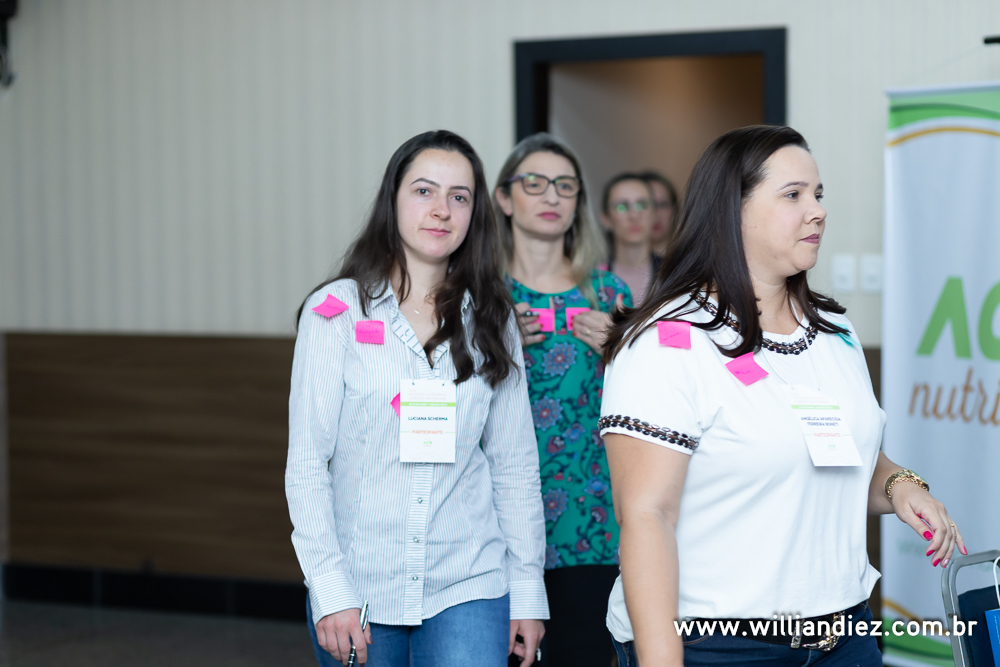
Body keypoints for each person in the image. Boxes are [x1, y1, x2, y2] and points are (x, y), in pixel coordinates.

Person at [599, 125, 966, 666]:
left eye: (818, 195)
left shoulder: (835, 334)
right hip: (714, 644)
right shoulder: (668, 342)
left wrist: (901, 487)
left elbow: (841, 458)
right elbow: (646, 516)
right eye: (793, 195)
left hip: (845, 635)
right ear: (732, 211)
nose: (816, 211)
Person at [286, 130, 549, 667]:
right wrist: (329, 586)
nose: (441, 211)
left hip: (468, 580)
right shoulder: (334, 312)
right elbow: (308, 463)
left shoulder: (494, 319)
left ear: (475, 214)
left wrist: (527, 591)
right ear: (394, 200)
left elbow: (515, 467)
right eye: (424, 191)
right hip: (361, 579)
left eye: (459, 197)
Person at [493, 133, 632, 667]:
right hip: (496, 519)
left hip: (590, 517)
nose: (551, 196)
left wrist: (621, 351)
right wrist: (493, 343)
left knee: (585, 654)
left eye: (565, 185)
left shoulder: (609, 293)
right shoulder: (479, 292)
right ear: (505, 198)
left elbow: (647, 405)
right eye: (535, 183)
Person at [600, 173, 660, 305]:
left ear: (654, 214)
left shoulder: (674, 273)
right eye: (621, 206)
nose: (634, 215)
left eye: (642, 205)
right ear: (606, 218)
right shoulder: (592, 279)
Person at [638, 170, 680, 259]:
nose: (655, 214)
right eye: (646, 205)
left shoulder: (691, 261)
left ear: (674, 210)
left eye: (663, 204)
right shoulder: (608, 268)